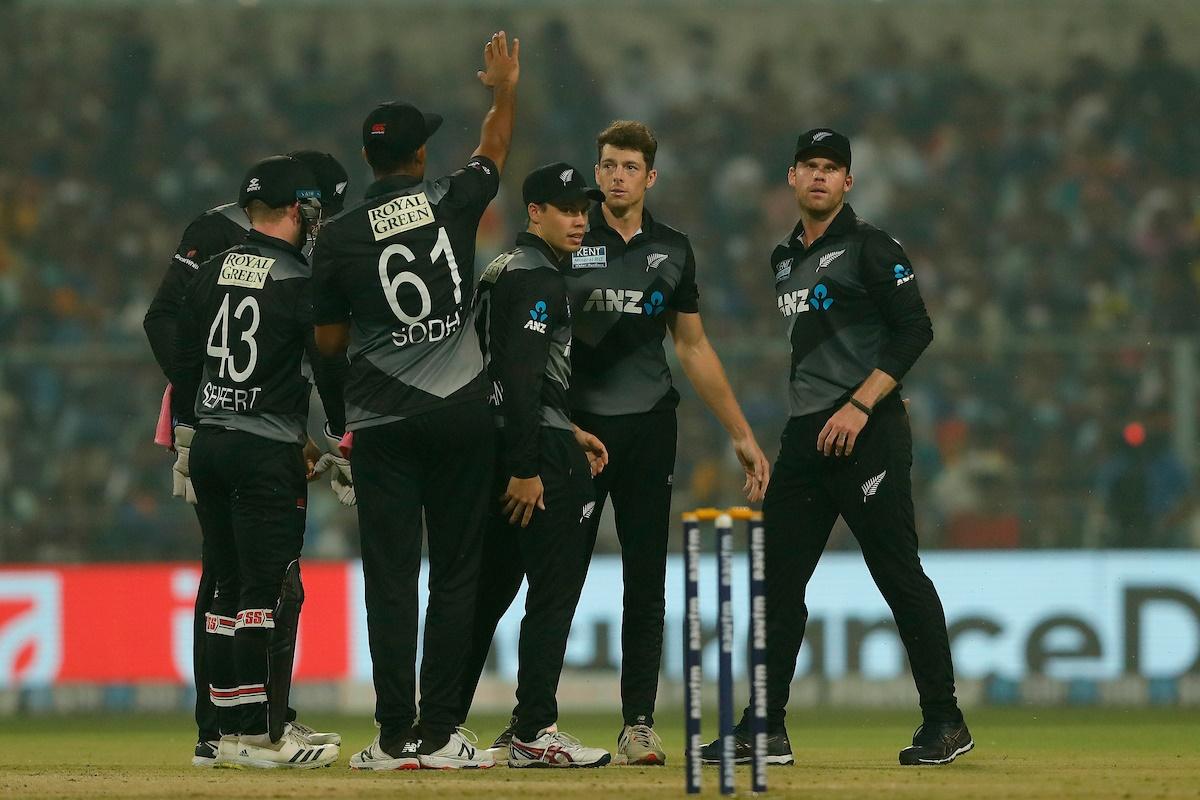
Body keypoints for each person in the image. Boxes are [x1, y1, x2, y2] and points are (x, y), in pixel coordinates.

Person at [701, 128, 972, 767]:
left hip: (868, 430)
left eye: (832, 168)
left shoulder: (874, 248)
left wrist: (860, 403)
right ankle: (764, 727)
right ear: (791, 179)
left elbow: (916, 329)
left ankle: (945, 719)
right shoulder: (782, 259)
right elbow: (814, 348)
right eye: (809, 166)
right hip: (806, 435)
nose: (820, 177)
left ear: (848, 181)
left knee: (897, 572)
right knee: (774, 582)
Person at [311, 30, 519, 771]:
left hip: (381, 422)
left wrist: (341, 426)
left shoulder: (335, 239)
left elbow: (329, 346)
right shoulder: (453, 199)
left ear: (369, 161)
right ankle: (440, 734)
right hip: (461, 410)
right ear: (420, 157)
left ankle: (393, 735)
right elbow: (494, 146)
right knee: (458, 571)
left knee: (390, 580)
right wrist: (503, 89)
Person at [562, 120, 770, 765]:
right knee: (553, 571)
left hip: (650, 424)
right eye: (607, 165)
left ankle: (638, 724)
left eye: (629, 166)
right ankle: (532, 718)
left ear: (650, 177)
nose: (617, 175)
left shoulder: (673, 249)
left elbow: (692, 344)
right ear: (596, 173)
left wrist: (740, 432)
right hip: (576, 427)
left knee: (646, 575)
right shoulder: (569, 237)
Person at [142, 150, 348, 766]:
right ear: (295, 209)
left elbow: (183, 346)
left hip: (212, 441)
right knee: (268, 588)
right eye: (314, 211)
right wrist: (341, 435)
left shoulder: (213, 268)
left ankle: (228, 730)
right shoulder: (294, 278)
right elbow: (325, 360)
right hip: (263, 447)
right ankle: (258, 731)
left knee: (227, 587)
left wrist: (186, 428)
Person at [457, 163, 612, 767]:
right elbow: (521, 378)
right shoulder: (540, 280)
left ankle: (440, 722)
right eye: (565, 208)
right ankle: (533, 729)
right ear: (535, 213)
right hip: (536, 457)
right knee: (553, 594)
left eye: (583, 209)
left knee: (485, 594)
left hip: (505, 444)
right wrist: (531, 463)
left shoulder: (500, 270)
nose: (579, 219)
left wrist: (566, 425)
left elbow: (495, 370)